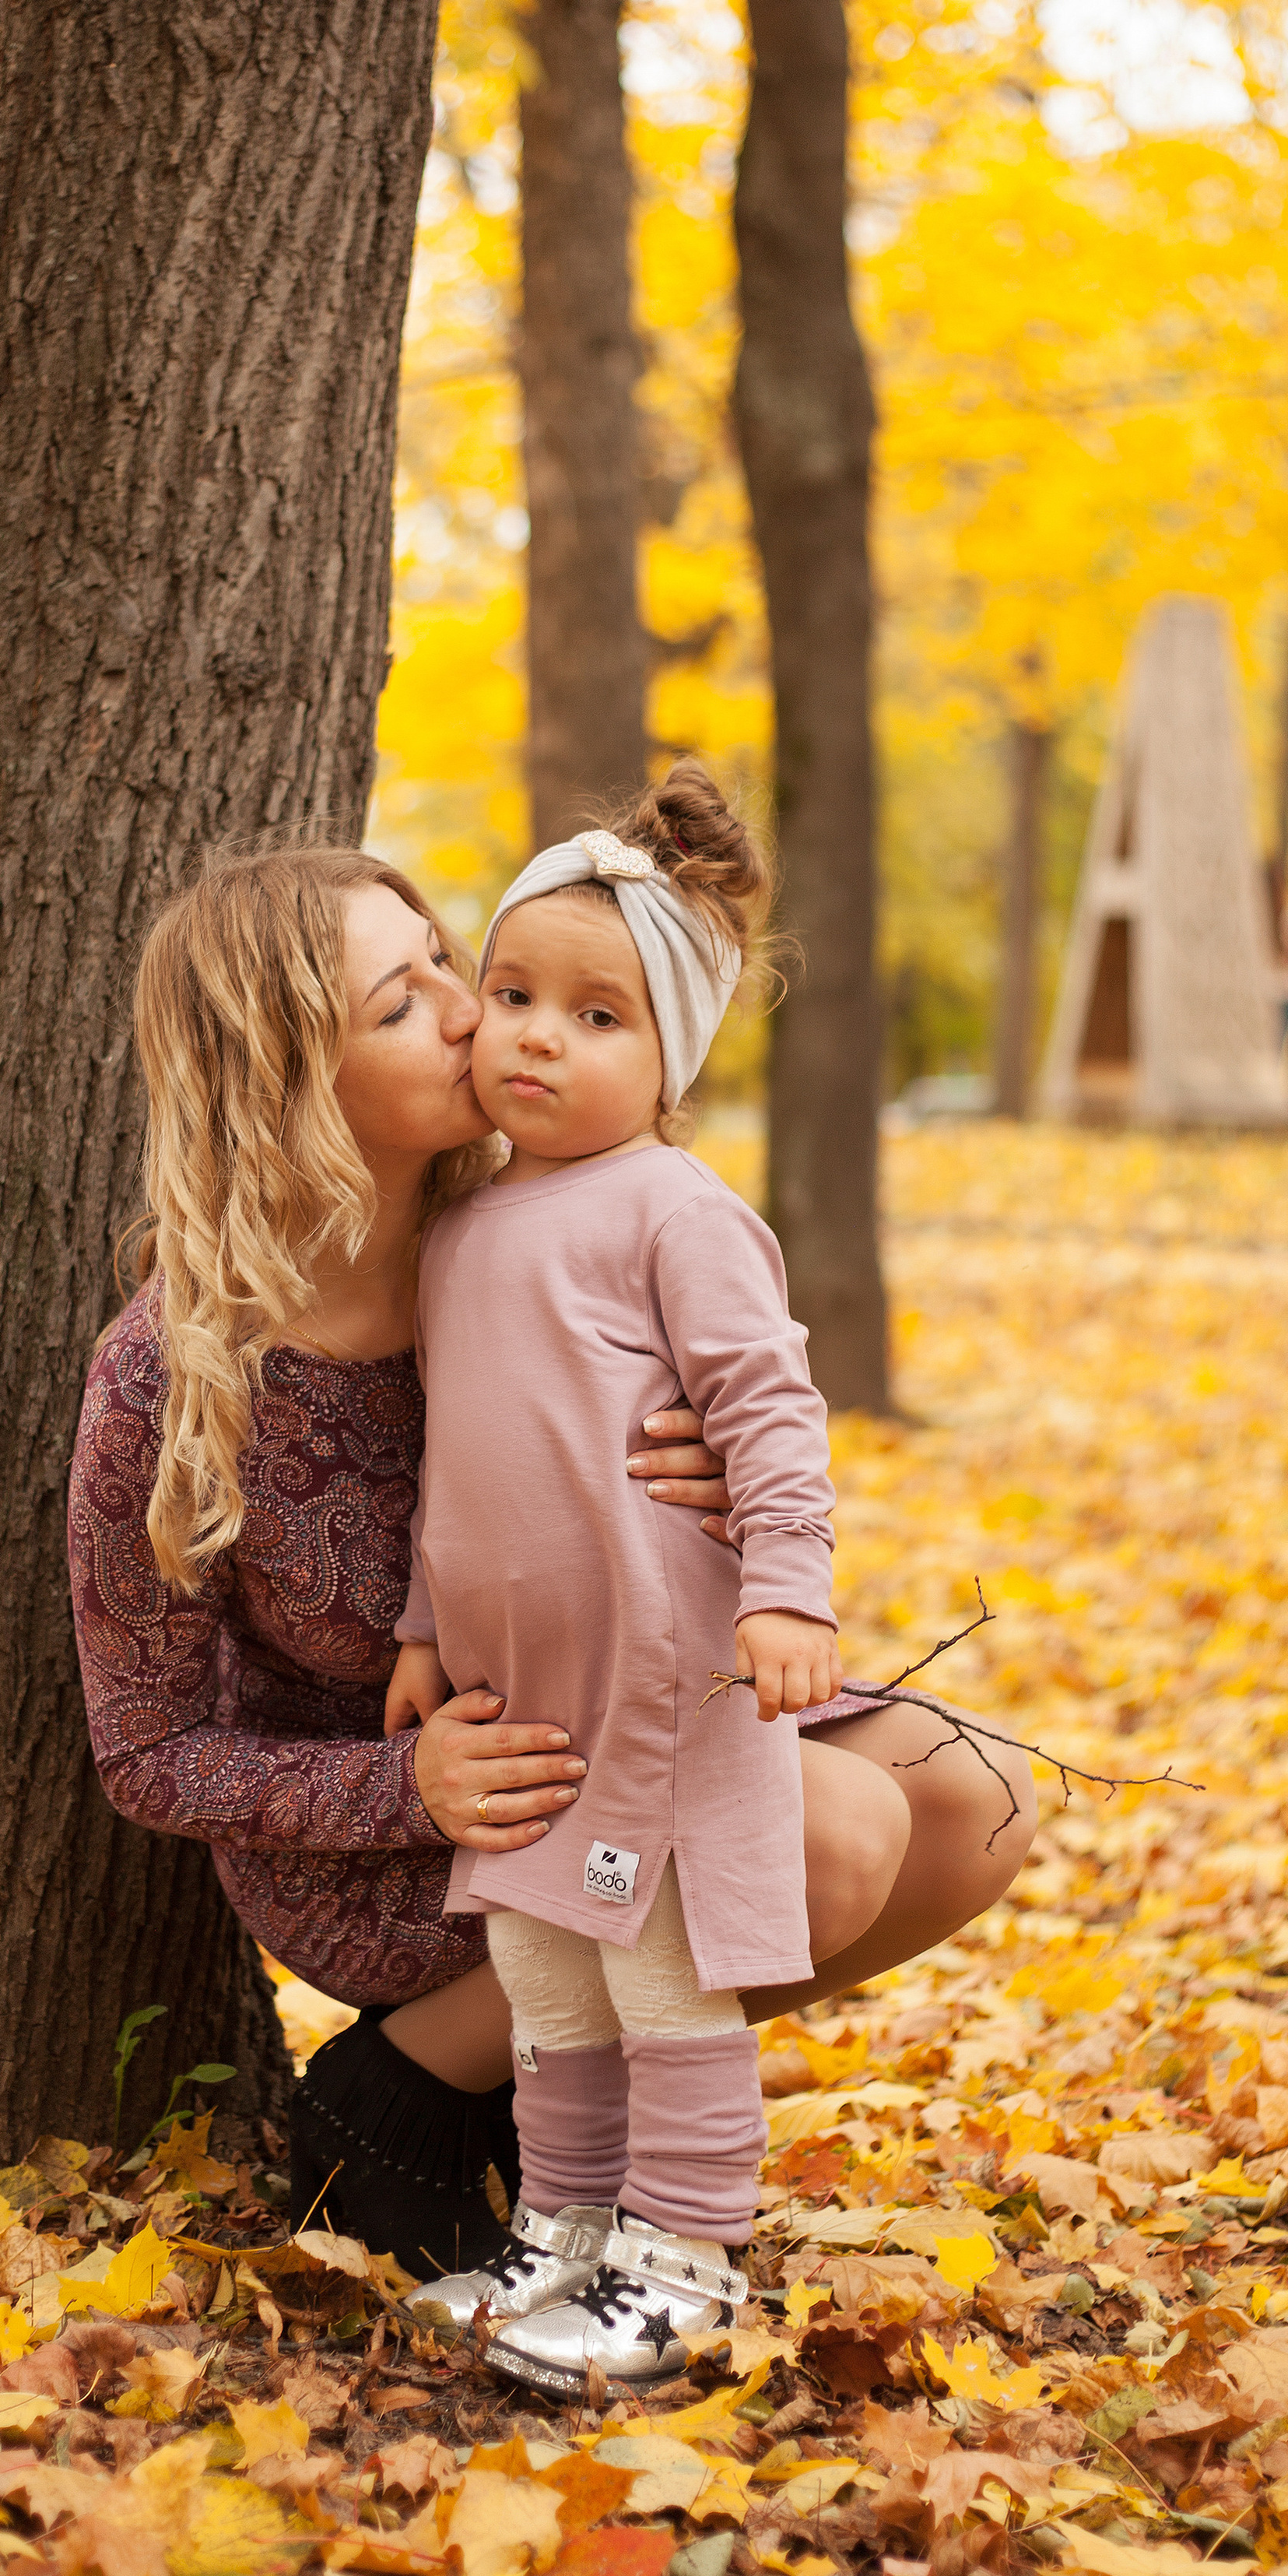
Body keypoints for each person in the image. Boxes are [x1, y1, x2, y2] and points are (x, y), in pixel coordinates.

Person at [68, 842, 1039, 2278]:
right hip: (420, 1813)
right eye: (404, 1005)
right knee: (831, 1838)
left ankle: (585, 2095)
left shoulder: (536, 1214)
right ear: (285, 1078)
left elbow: (747, 1404)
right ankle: (402, 2092)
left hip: (618, 1697)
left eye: (449, 964)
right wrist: (413, 1784)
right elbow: (144, 1751)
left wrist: (706, 1477)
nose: (474, 1017)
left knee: (987, 1801)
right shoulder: (177, 1372)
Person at [384, 764, 851, 2398]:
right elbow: (465, 1461)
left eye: (595, 1018)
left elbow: (765, 1409)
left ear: (669, 1064)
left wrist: (786, 1588)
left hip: (657, 1677)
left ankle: (686, 2253)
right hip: (522, 1687)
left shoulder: (673, 1209)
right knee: (541, 1968)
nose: (532, 1036)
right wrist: (421, 1635)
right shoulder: (459, 1231)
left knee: (660, 1966)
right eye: (510, 995)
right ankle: (567, 2226)